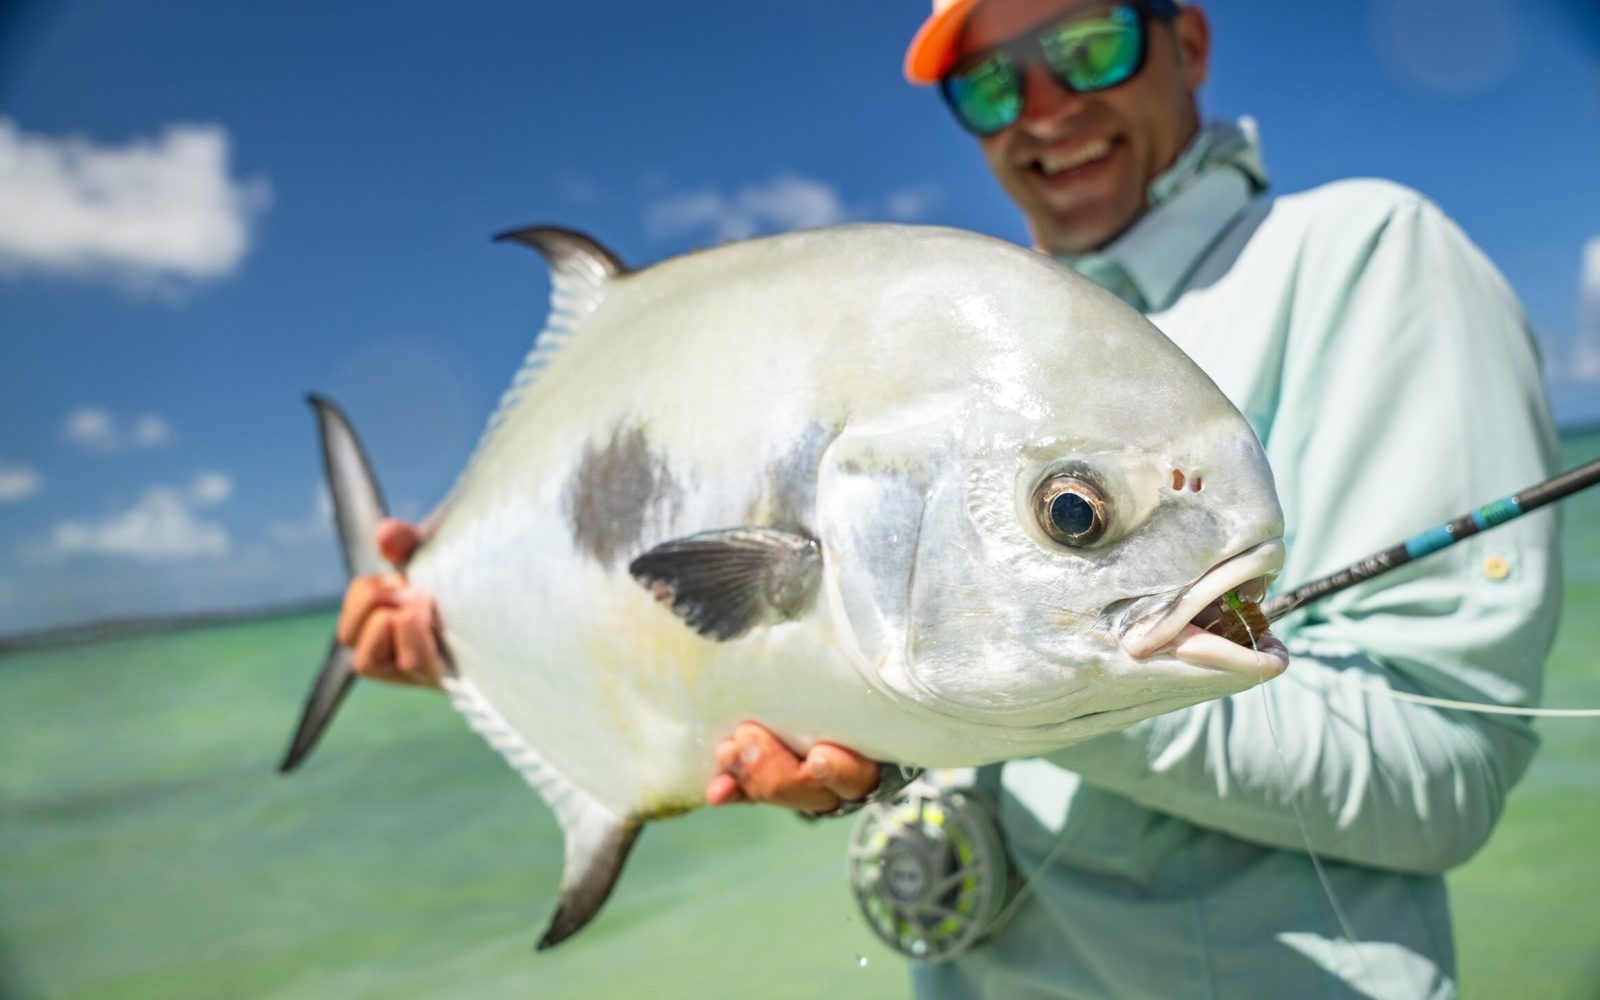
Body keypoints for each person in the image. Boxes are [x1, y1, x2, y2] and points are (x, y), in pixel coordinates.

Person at [337, 0, 1563, 995]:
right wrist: (880, 748)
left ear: (1187, 41)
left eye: (1088, 45)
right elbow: (794, 655)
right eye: (988, 85)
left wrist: (1041, 687)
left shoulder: (1361, 257)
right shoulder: (966, 325)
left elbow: (1440, 779)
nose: (1043, 108)